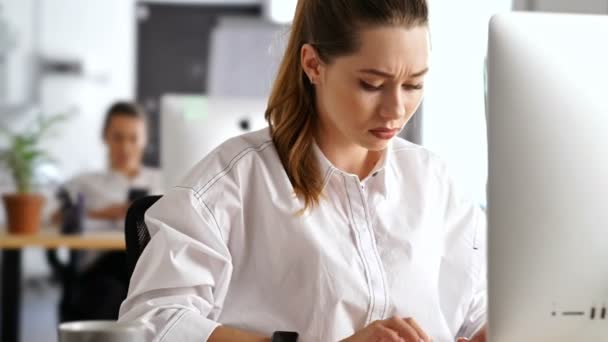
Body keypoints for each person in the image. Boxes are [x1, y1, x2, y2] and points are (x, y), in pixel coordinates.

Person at [119, 1, 487, 341]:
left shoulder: (435, 183)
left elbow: (485, 311)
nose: (395, 109)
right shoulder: (234, 184)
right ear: (313, 65)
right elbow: (154, 323)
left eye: (413, 84)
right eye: (372, 84)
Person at [52, 101, 162, 320]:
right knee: (111, 294)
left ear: (145, 140)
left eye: (133, 138)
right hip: (101, 269)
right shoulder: (85, 183)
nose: (125, 147)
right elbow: (52, 218)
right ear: (105, 137)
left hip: (150, 270)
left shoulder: (162, 181)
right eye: (118, 137)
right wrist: (102, 214)